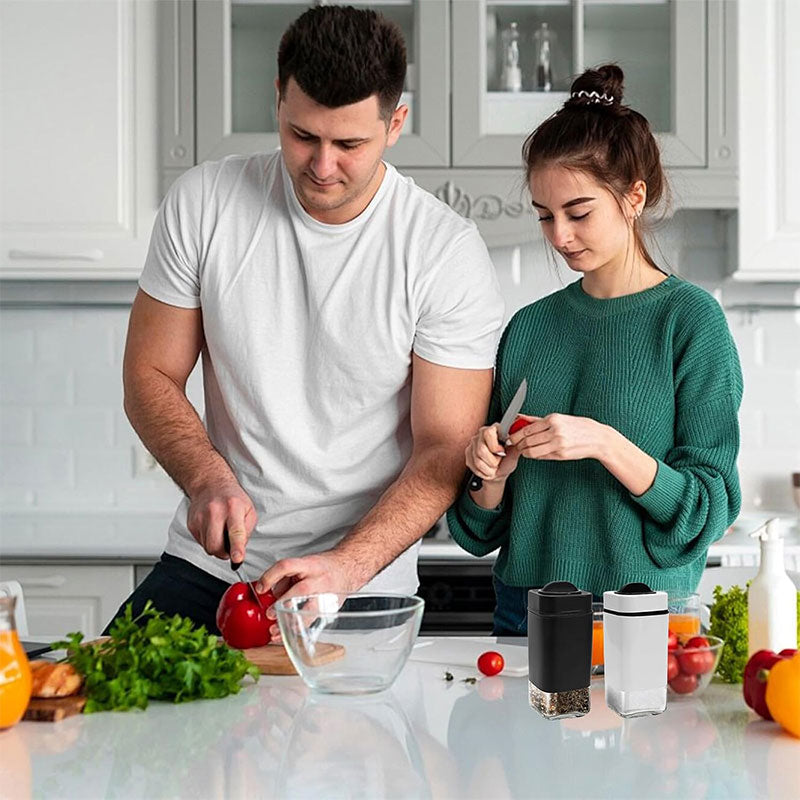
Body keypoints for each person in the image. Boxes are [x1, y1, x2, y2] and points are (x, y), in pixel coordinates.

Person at [109, 5, 504, 637]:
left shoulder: (442, 251)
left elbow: (443, 449)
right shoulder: (204, 203)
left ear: (395, 123)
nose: (322, 166)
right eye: (303, 136)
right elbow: (148, 374)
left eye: (349, 144)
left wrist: (346, 567)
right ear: (278, 101)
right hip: (210, 570)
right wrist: (206, 478)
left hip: (361, 583)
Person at [447, 65, 742, 637]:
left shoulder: (690, 322)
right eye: (544, 216)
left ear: (634, 197)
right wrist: (492, 476)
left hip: (642, 617)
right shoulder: (529, 329)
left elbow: (707, 510)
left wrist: (606, 444)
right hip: (525, 611)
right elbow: (478, 532)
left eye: (578, 213)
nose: (559, 235)